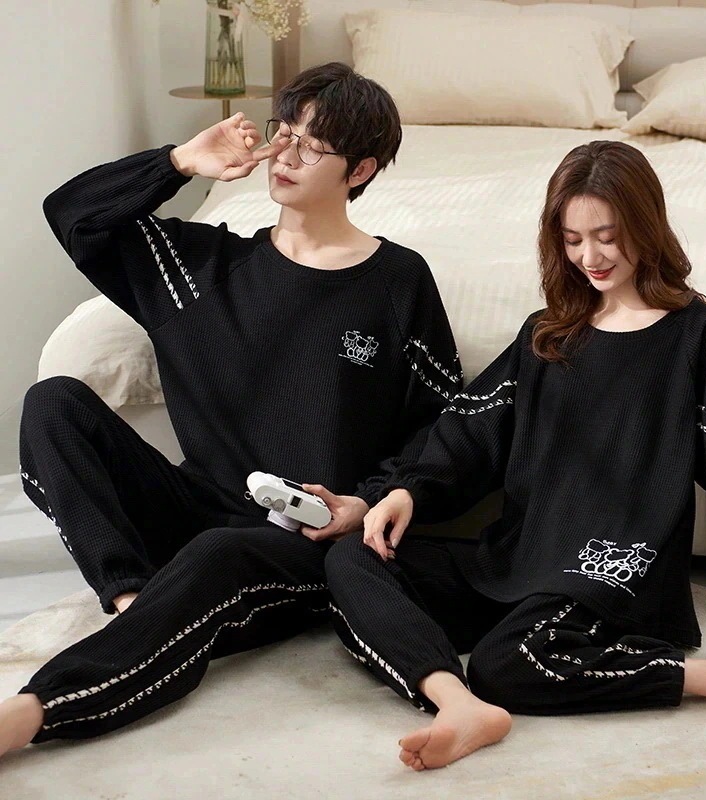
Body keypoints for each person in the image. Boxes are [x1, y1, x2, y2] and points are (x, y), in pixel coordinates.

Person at [0, 62, 462, 756]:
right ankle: (133, 604)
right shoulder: (200, 267)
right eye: (285, 131)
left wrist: (367, 502)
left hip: (306, 544)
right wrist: (180, 163)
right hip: (195, 509)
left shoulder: (397, 281)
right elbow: (71, 214)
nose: (285, 154)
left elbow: (444, 423)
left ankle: (32, 713)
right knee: (53, 402)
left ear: (361, 170)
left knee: (222, 551)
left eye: (313, 145)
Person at [324, 140, 706, 771]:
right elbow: (469, 432)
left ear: (646, 226)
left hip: (612, 567)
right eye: (573, 240)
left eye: (608, 237)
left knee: (507, 663)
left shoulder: (699, 336)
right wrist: (406, 490)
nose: (590, 257)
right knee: (354, 558)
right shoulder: (546, 333)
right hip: (520, 554)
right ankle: (455, 703)